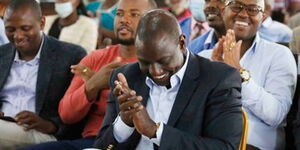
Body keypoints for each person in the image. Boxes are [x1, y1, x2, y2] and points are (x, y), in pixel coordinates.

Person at [94, 9, 243, 150]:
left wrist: (154, 131)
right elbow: (101, 147)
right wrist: (125, 123)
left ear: (182, 44)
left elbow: (224, 147)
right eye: (145, 62)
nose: (154, 71)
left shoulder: (218, 79)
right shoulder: (126, 77)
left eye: (163, 60)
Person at [19, 0, 157, 150]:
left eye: (134, 14)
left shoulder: (159, 64)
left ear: (153, 23)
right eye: (119, 14)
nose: (124, 19)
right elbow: (66, 115)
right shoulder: (96, 58)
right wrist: (92, 86)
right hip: (92, 141)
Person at [199, 0, 297, 149]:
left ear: (263, 17)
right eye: (236, 6)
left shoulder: (279, 55)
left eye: (253, 9)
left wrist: (239, 74)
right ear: (223, 11)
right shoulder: (203, 59)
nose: (243, 14)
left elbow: (276, 115)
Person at [0, 0, 87, 149]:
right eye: (10, 30)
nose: (18, 36)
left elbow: (80, 108)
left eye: (25, 28)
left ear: (41, 23)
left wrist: (50, 125)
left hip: (42, 132)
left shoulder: (70, 55)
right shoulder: (2, 54)